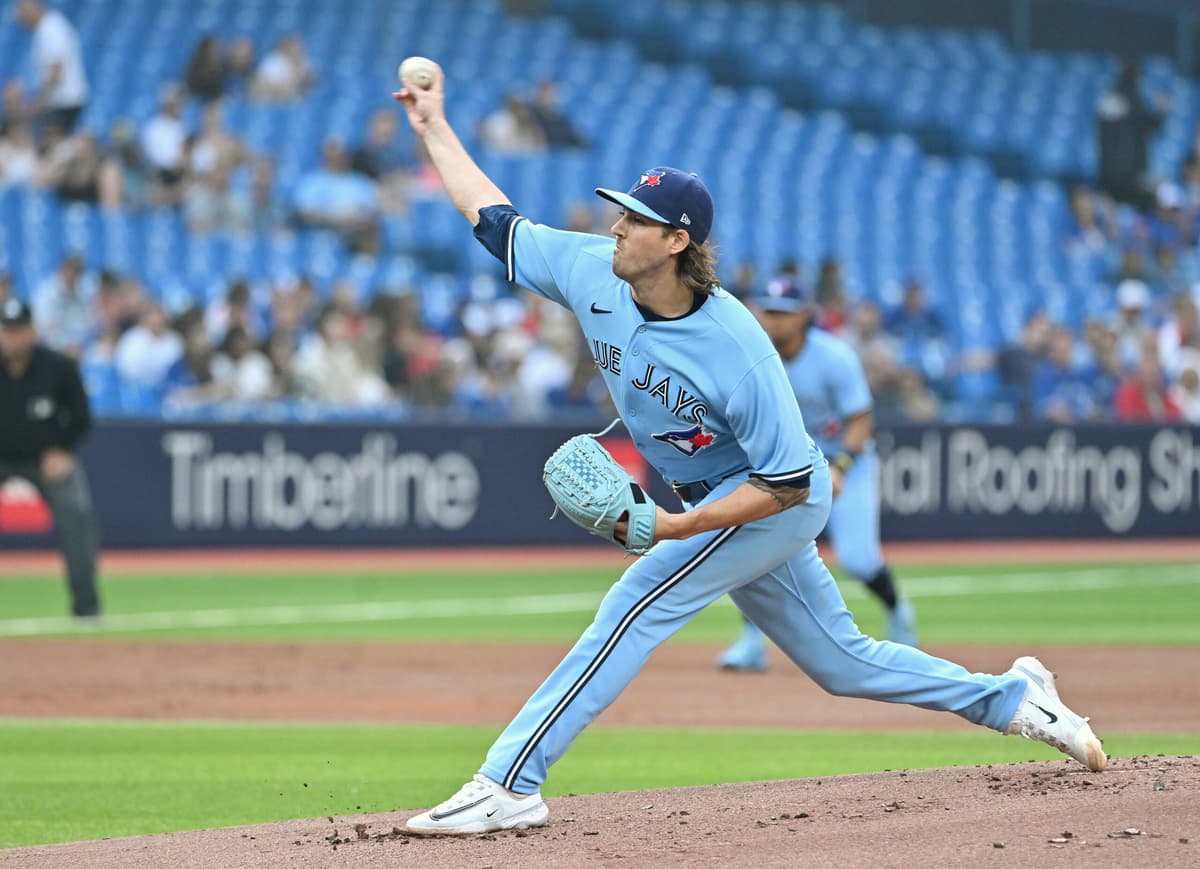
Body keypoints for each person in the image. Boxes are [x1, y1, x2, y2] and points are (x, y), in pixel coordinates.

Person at [392, 61, 1108, 837]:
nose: (616, 225)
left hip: (770, 495)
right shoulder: (589, 270)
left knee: (637, 600)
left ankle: (510, 780)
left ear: (676, 240)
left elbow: (789, 484)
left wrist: (670, 529)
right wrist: (432, 125)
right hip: (724, 494)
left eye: (634, 218)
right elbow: (493, 219)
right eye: (620, 212)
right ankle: (1013, 695)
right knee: (845, 662)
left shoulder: (737, 344)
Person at [717, 277, 918, 672]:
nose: (773, 321)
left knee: (859, 560)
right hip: (779, 466)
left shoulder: (834, 357)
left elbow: (860, 420)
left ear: (806, 314)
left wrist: (841, 466)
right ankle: (752, 641)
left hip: (843, 461)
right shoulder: (750, 357)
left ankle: (898, 611)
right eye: (768, 311)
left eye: (783, 313)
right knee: (750, 551)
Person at [0, 298, 100, 619]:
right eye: (7, 330)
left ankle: (87, 608)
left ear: (32, 331)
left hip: (45, 461)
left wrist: (63, 450)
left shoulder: (57, 367)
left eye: (18, 330)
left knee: (77, 510)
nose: (12, 337)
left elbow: (82, 416)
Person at [13, 0, 89, 135]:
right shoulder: (49, 26)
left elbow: (56, 73)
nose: (18, 16)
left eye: (21, 9)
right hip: (62, 101)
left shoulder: (50, 29)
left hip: (63, 102)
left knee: (52, 147)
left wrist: (37, 105)